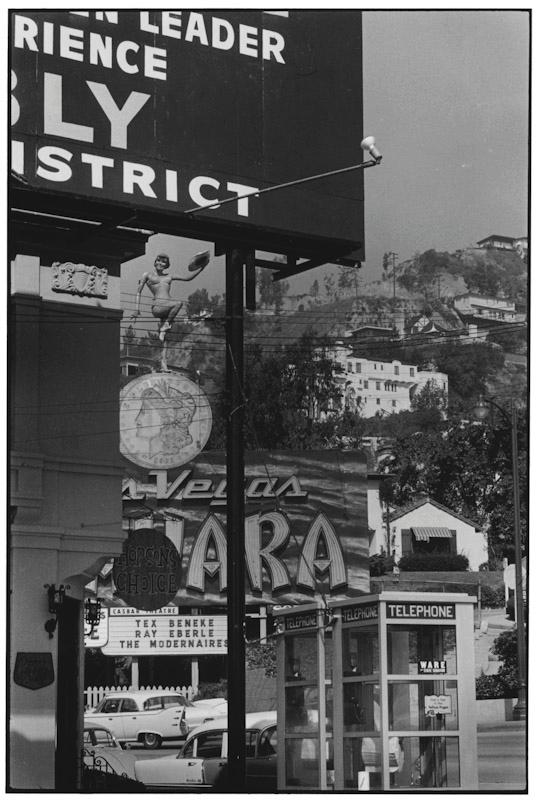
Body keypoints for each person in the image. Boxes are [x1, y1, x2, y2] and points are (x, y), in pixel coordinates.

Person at [130, 251, 210, 341]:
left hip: (169, 306)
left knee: (177, 306)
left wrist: (201, 269)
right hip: (158, 307)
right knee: (178, 303)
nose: (160, 263)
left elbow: (188, 278)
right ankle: (165, 326)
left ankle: (164, 328)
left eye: (163, 262)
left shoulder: (169, 276)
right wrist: (136, 309)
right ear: (155, 262)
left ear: (166, 265)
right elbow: (138, 291)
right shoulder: (147, 275)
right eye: (158, 260)